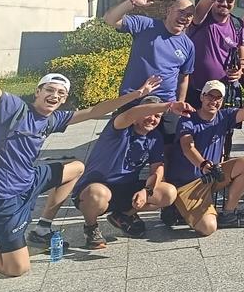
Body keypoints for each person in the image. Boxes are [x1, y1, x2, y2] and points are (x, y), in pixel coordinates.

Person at [0, 38, 162, 277]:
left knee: (76, 167)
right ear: (37, 92)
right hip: (3, 195)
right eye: (49, 90)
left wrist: (138, 94)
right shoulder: (14, 109)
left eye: (61, 93)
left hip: (30, 179)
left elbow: (95, 111)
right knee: (16, 268)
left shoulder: (51, 120)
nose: (55, 96)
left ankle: (43, 229)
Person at [73, 95, 191, 248]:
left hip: (126, 187)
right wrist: (168, 105)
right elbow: (130, 114)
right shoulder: (119, 128)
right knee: (99, 194)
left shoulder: (154, 137)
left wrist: (146, 190)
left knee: (168, 192)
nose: (152, 119)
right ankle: (91, 227)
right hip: (95, 187)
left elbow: (157, 168)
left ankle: (122, 216)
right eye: (148, 113)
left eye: (157, 116)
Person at [164, 68, 244, 234]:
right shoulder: (188, 119)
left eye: (218, 98)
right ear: (202, 97)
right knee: (208, 228)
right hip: (188, 184)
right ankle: (176, 207)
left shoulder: (224, 116)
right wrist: (202, 164)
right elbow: (187, 147)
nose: (213, 101)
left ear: (223, 101)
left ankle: (229, 214)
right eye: (210, 95)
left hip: (211, 177)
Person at [103, 0, 196, 141]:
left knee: (167, 150)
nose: (184, 17)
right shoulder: (146, 25)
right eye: (181, 12)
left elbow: (184, 77)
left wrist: (179, 102)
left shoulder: (188, 45)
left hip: (166, 104)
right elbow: (110, 19)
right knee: (123, 145)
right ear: (169, 11)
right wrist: (131, 3)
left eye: (189, 15)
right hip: (134, 99)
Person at [186, 0, 244, 109]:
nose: (225, 3)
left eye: (229, 0)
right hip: (197, 91)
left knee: (223, 130)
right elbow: (197, 13)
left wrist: (241, 70)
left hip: (224, 93)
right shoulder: (202, 19)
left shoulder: (237, 24)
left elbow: (243, 55)